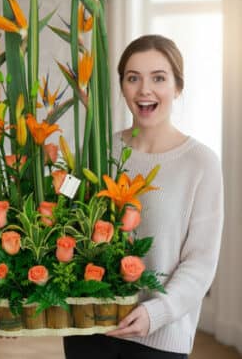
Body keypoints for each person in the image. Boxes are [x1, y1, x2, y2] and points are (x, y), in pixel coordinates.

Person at [63, 34, 224, 358]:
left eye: (159, 78)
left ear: (178, 87)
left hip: (158, 337)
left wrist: (157, 313)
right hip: (88, 327)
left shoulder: (202, 163)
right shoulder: (95, 150)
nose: (144, 90)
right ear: (121, 86)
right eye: (133, 78)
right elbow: (60, 216)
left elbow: (200, 263)